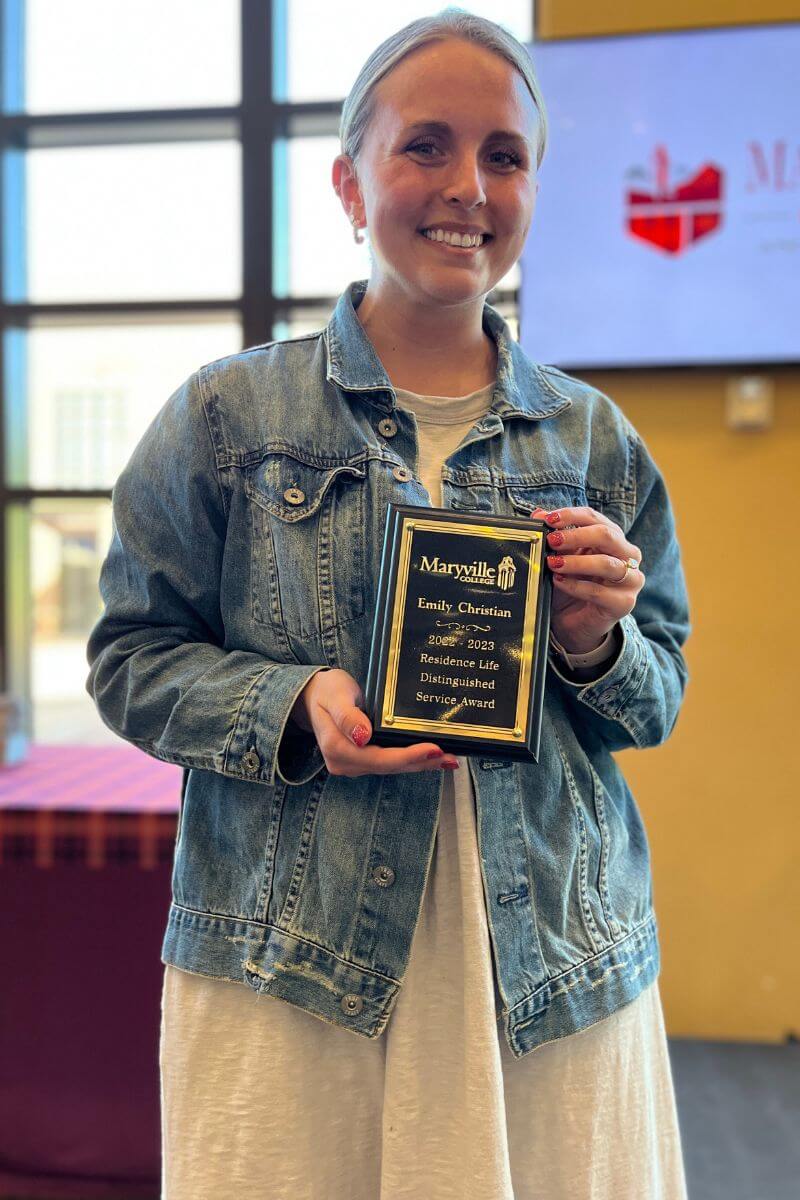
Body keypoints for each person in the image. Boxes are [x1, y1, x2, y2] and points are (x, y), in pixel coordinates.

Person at [86, 9, 691, 1199]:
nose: (467, 186)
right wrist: (290, 705)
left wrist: (593, 642)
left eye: (503, 155)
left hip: (550, 965)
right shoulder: (224, 418)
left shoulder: (594, 439)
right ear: (348, 183)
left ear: (531, 189)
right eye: (424, 144)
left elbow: (656, 694)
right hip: (290, 967)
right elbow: (127, 659)